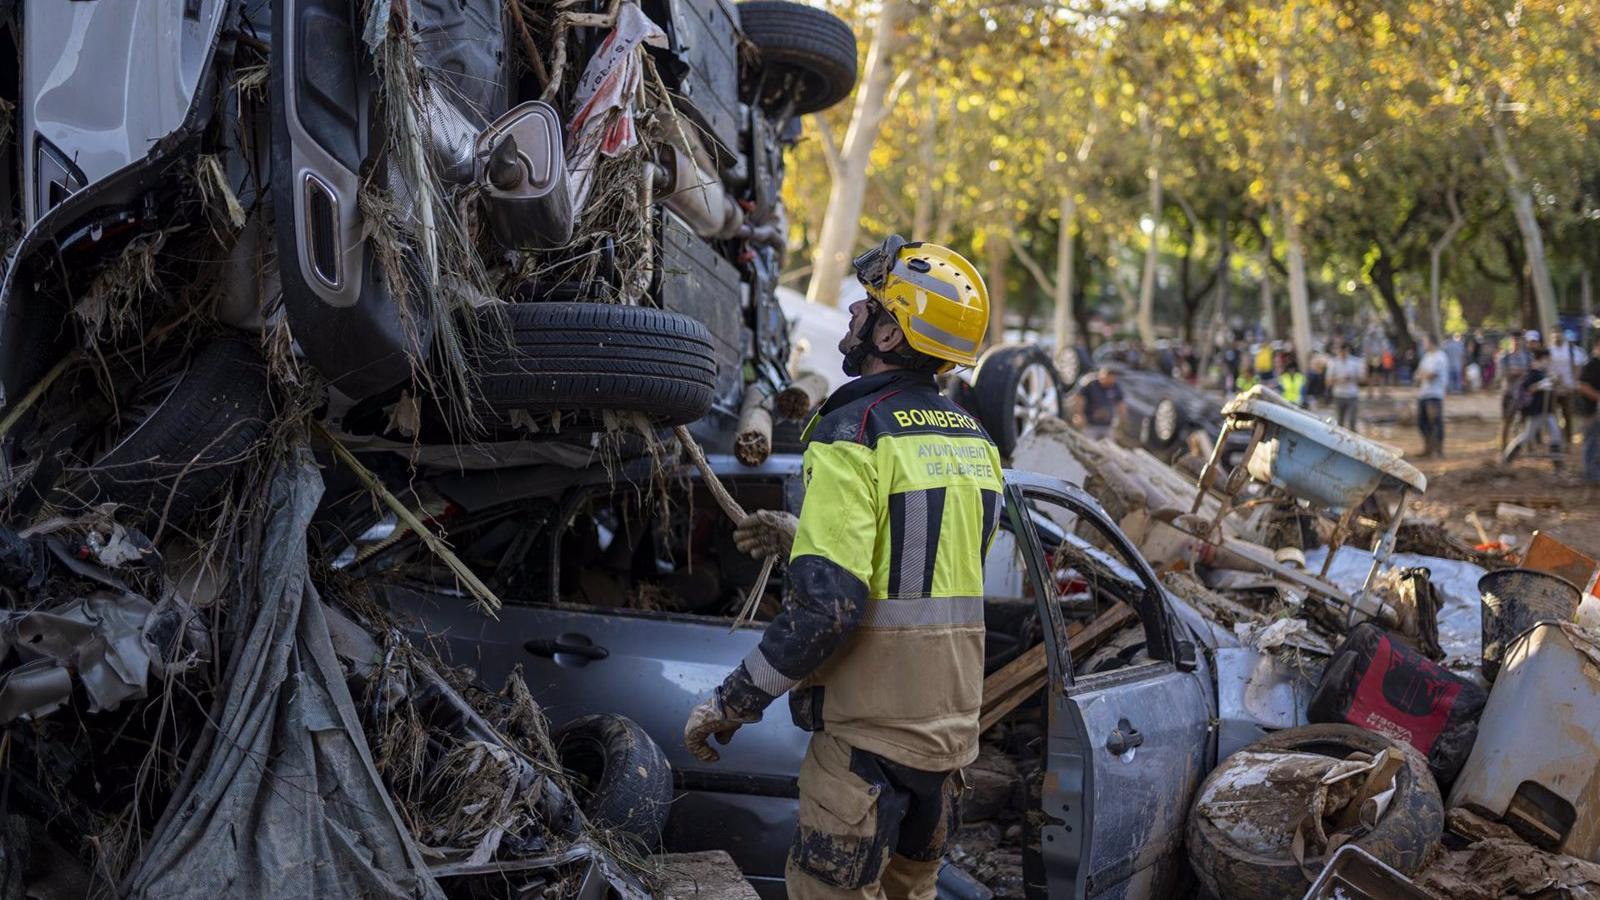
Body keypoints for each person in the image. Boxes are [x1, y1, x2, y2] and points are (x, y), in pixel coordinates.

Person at [684, 235, 1003, 900]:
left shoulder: (853, 431)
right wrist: (807, 536)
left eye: (867, 308)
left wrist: (731, 703)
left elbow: (829, 608)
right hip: (944, 754)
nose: (854, 317)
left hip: (867, 750)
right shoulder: (975, 443)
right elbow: (925, 566)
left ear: (891, 334)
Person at [1521, 348, 1562, 460]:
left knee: (1555, 433)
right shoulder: (1533, 372)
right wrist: (1541, 385)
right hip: (1536, 410)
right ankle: (1509, 456)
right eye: (1548, 359)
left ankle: (1557, 462)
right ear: (1543, 359)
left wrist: (1553, 381)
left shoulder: (1544, 372)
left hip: (1547, 410)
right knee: (1527, 436)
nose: (1549, 361)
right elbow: (1529, 388)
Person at [1074, 366, 1127, 440]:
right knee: (1089, 445)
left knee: (1108, 446)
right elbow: (1080, 399)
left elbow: (1120, 404)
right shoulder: (1090, 384)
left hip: (1107, 424)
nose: (1110, 381)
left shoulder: (1116, 387)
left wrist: (1122, 421)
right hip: (1090, 423)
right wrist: (1079, 414)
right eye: (1108, 378)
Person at [1499, 333, 1532, 451]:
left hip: (1523, 394)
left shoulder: (1528, 357)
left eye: (1519, 340)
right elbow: (1504, 374)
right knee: (1507, 421)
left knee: (1526, 422)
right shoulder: (1505, 357)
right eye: (1514, 340)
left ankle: (1525, 447)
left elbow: (1531, 373)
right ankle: (1503, 447)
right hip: (1509, 392)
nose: (1517, 342)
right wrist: (1519, 372)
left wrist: (1518, 372)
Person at [1416, 334, 1448, 457]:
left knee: (1435, 421)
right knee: (1422, 423)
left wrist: (1423, 375)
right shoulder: (1426, 357)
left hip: (1435, 394)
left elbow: (1431, 375)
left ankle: (1438, 450)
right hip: (1423, 393)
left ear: (1431, 342)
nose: (1424, 345)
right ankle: (1428, 447)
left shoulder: (1440, 357)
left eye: (1425, 342)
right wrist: (1423, 375)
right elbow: (1419, 374)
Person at [1551, 330, 1583, 446]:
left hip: (1568, 388)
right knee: (1553, 416)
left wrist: (1573, 384)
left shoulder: (1573, 351)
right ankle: (1556, 440)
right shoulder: (1550, 350)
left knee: (1567, 415)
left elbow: (1578, 369)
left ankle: (1568, 441)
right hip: (1553, 389)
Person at [1578, 334, 1600, 484]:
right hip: (1591, 410)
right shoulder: (1591, 364)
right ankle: (1591, 474)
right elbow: (1583, 386)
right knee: (1591, 441)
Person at [1328, 341, 1365, 432]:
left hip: (1352, 395)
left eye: (1345, 350)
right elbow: (1328, 382)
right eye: (1341, 350)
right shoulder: (1333, 363)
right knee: (1340, 422)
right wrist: (1340, 379)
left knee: (1352, 422)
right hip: (1339, 395)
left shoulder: (1355, 362)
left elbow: (1363, 379)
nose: (1343, 353)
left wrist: (1352, 378)